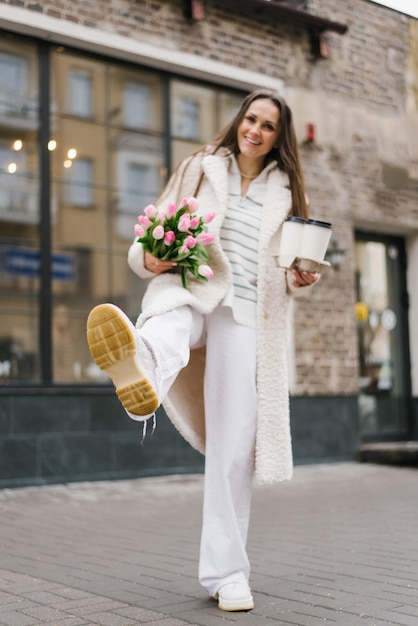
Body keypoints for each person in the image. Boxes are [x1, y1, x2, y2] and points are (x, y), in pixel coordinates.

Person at [87, 88, 319, 612]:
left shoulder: (287, 191)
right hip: (195, 285)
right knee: (170, 320)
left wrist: (300, 277)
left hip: (245, 316)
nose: (255, 130)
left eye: (268, 126)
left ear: (280, 137)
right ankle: (139, 361)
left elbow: (290, 267)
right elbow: (148, 237)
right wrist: (152, 260)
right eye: (250, 119)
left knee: (233, 450)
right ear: (239, 120)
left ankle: (228, 574)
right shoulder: (199, 167)